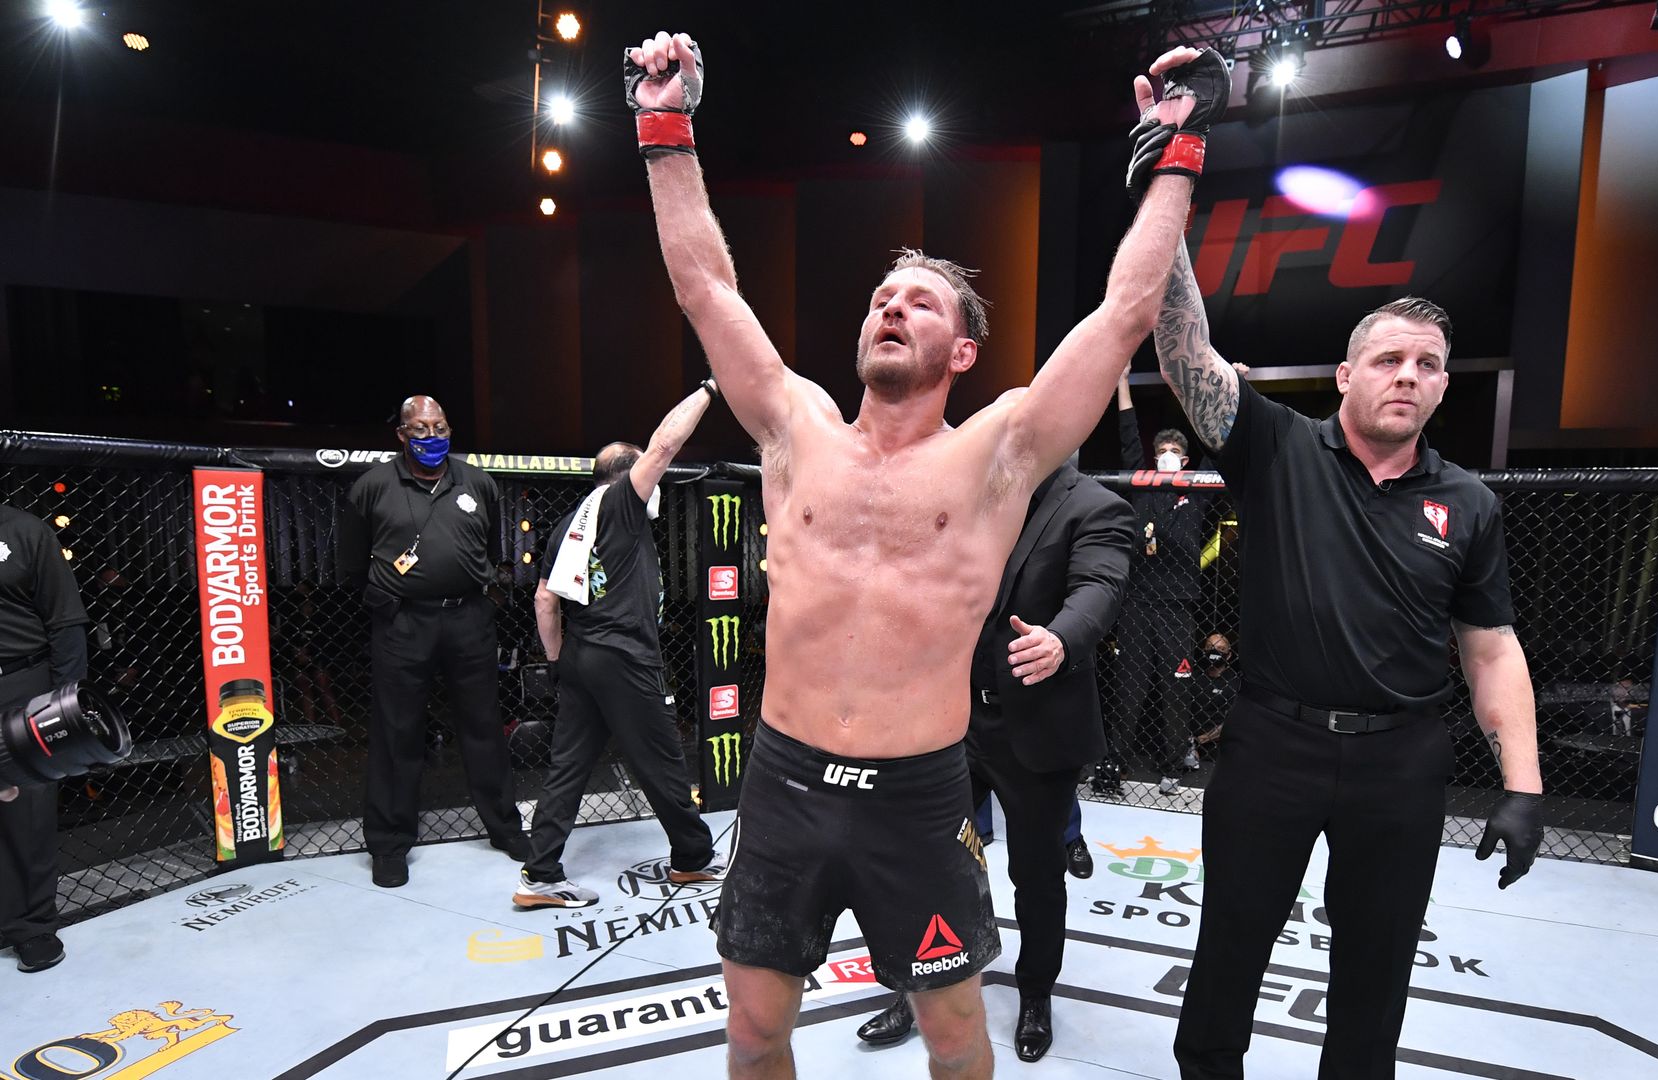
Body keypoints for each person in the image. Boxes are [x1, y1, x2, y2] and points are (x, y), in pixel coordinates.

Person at [628, 29, 1221, 1079]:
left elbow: (1127, 315)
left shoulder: (997, 455)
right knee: (755, 1032)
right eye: (880, 298)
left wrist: (1175, 154)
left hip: (917, 795)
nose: (890, 306)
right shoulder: (793, 429)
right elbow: (706, 290)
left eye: (920, 302)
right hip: (784, 782)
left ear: (962, 352)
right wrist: (665, 128)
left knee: (957, 1039)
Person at [1149, 243, 1545, 1079]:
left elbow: (1490, 645)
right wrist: (1170, 195)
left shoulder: (1467, 501)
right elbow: (1184, 350)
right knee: (1230, 946)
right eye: (1388, 359)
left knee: (1377, 969)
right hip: (1270, 744)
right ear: (1344, 375)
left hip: (1399, 760)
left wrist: (1523, 786)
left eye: (1426, 364)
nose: (1407, 374)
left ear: (1442, 386)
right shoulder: (1277, 447)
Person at [855, 454, 1133, 1060]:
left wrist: (1061, 638)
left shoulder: (1094, 506)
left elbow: (1099, 586)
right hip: (953, 719)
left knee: (1035, 873)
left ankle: (1035, 991)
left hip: (1034, 726)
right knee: (928, 860)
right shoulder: (975, 501)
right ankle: (915, 984)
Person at [512, 383, 728, 909]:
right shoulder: (621, 505)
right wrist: (710, 388)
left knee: (567, 766)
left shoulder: (570, 524)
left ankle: (539, 875)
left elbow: (546, 599)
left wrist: (560, 659)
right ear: (634, 482)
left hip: (583, 657)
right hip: (624, 658)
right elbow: (663, 446)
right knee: (662, 760)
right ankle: (692, 860)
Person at [338, 395, 528, 888]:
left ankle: (506, 829)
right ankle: (388, 844)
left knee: (484, 725)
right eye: (419, 429)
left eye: (440, 426)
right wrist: (387, 599)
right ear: (401, 435)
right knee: (397, 731)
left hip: (468, 618)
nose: (431, 436)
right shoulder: (373, 486)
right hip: (403, 624)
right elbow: (352, 564)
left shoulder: (476, 481)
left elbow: (489, 551)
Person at [1105, 375, 1217, 799]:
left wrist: (1229, 394)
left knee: (1176, 686)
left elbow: (1216, 444)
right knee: (1129, 686)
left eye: (1175, 453)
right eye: (1162, 453)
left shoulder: (1197, 491)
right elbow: (1128, 434)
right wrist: (1121, 383)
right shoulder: (1142, 488)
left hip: (1178, 606)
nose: (1168, 457)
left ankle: (1173, 764)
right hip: (1138, 602)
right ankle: (1114, 761)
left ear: (1185, 463)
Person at [0, 503, 90, 972]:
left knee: (26, 809)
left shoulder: (24, 531)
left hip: (19, 684)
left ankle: (32, 927)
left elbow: (65, 621)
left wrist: (63, 703)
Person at [1188, 631, 1239, 757]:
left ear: (1228, 655)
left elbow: (1234, 721)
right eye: (1210, 648)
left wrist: (1199, 740)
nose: (1215, 652)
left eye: (1221, 649)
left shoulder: (1235, 682)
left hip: (1219, 747)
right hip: (1186, 742)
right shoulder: (1193, 676)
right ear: (1203, 651)